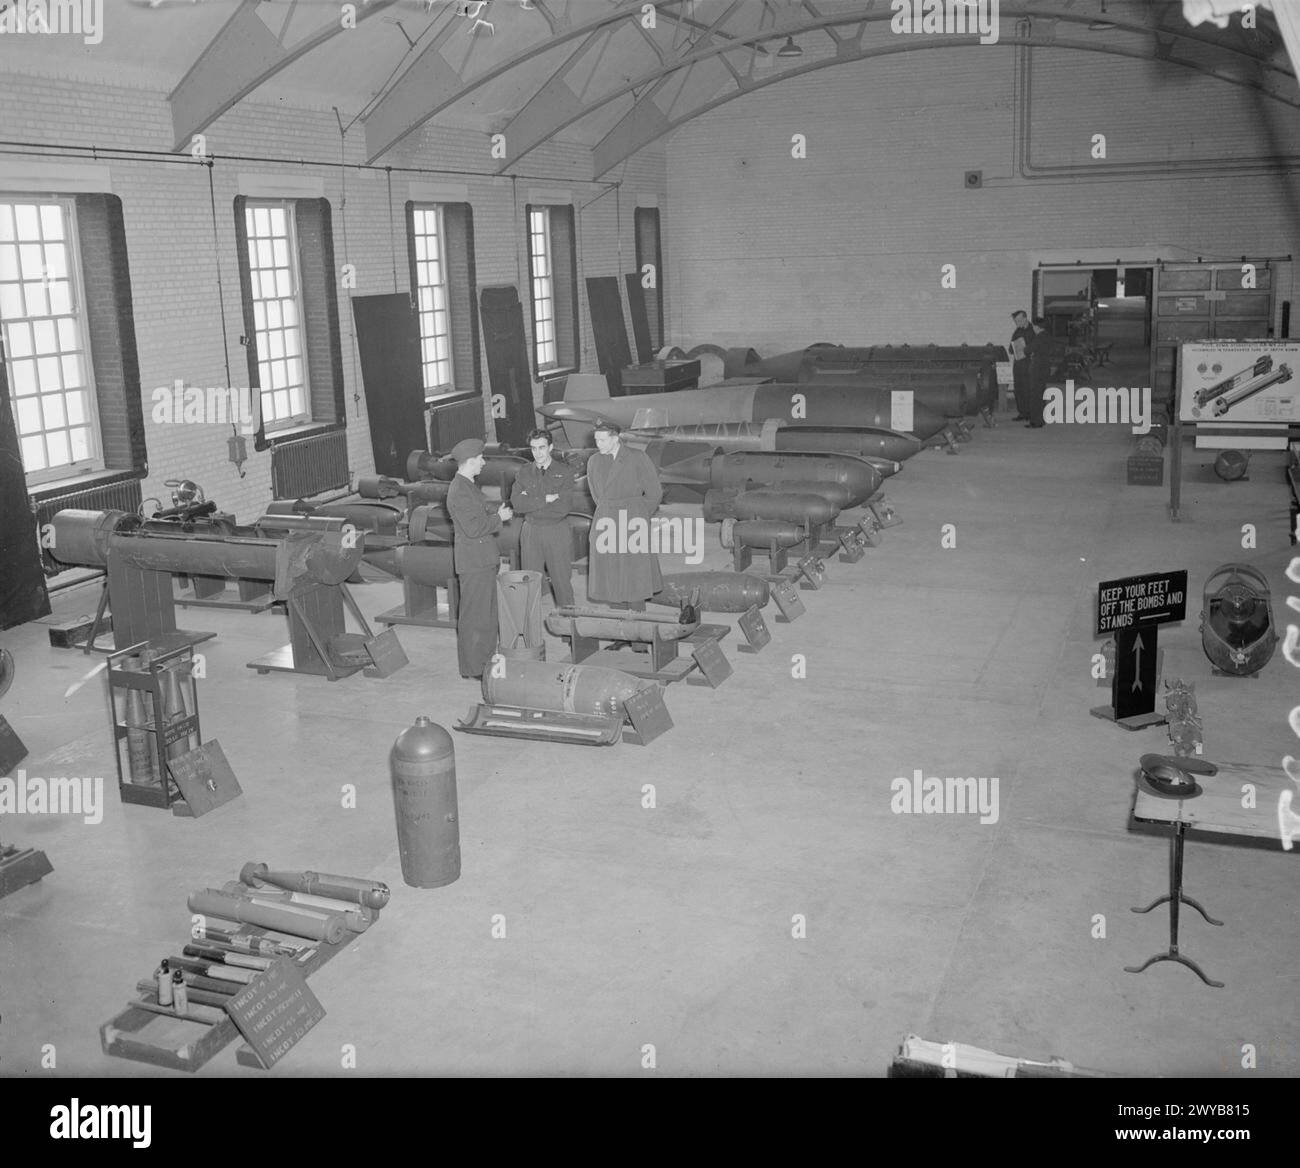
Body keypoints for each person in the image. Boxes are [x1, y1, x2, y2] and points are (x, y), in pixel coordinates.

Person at [446, 437, 512, 679]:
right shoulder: (459, 490)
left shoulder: (468, 485)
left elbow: (478, 513)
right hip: (474, 562)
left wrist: (494, 511)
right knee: (475, 617)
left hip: (482, 558)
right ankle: (474, 668)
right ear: (470, 461)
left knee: (486, 615)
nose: (484, 463)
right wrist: (499, 518)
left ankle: (485, 659)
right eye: (481, 459)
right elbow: (473, 528)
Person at [585, 420, 663, 609]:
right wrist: (607, 512)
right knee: (611, 575)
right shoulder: (594, 461)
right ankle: (618, 622)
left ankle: (637, 623)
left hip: (632, 521)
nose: (598, 444)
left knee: (635, 575)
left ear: (615, 438)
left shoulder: (637, 457)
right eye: (596, 440)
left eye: (602, 440)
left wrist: (638, 515)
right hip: (605, 521)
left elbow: (654, 493)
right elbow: (596, 495)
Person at [510, 428, 577, 609]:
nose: (537, 453)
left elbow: (563, 507)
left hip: (556, 531)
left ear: (551, 447)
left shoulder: (565, 472)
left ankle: (568, 624)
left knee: (561, 581)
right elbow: (517, 503)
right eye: (533, 448)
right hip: (530, 532)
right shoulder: (524, 472)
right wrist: (546, 499)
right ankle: (532, 627)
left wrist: (530, 500)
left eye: (542, 447)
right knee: (530, 584)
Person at [1010, 309, 1036, 422]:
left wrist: (1026, 348)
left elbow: (1036, 347)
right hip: (1018, 365)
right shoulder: (1017, 331)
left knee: (1028, 389)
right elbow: (1010, 348)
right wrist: (1014, 347)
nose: (1017, 323)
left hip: (1029, 364)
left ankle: (1030, 413)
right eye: (1016, 321)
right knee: (1019, 389)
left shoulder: (1033, 331)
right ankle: (1022, 412)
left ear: (1025, 318)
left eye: (1019, 320)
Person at [1026, 316, 1050, 428]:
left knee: (1035, 395)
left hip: (1037, 369)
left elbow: (1028, 349)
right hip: (1044, 368)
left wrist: (1024, 348)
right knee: (1041, 394)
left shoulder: (1039, 337)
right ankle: (1041, 419)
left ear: (1037, 327)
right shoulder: (1047, 336)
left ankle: (1035, 421)